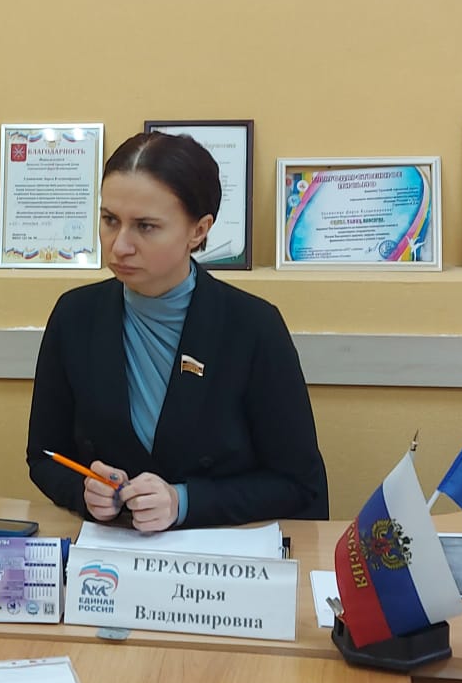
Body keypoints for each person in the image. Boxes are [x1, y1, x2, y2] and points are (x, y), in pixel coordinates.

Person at [26, 132, 328, 530]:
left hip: (218, 552)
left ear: (198, 231)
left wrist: (183, 501)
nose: (119, 246)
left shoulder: (252, 326)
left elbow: (298, 485)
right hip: (111, 552)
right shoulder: (75, 315)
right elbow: (45, 456)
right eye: (110, 220)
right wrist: (83, 491)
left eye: (146, 226)